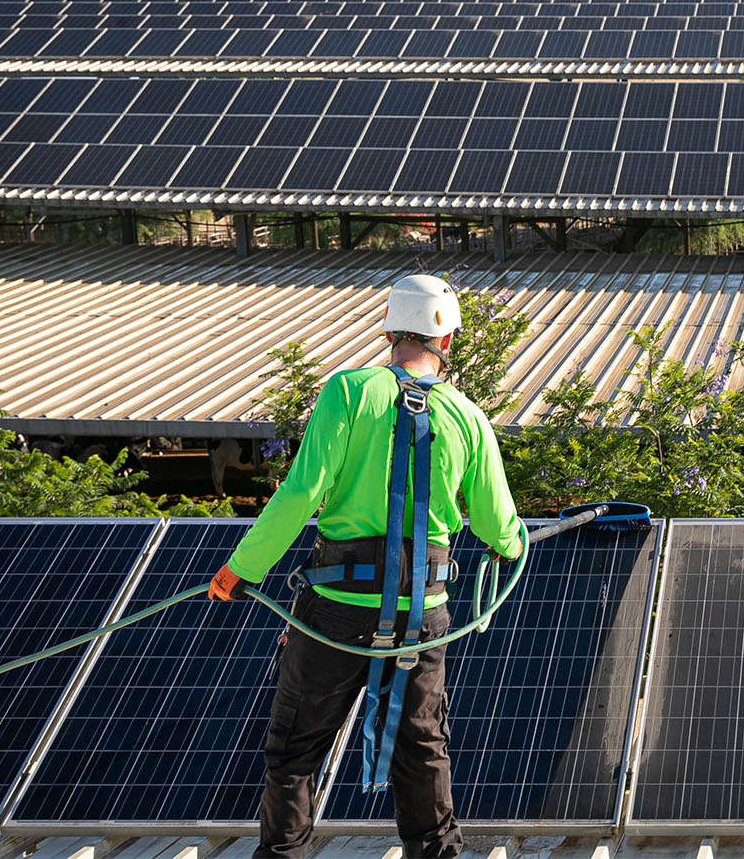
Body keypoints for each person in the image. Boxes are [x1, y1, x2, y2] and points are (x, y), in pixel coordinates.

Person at [208, 273, 526, 858]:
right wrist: (512, 543)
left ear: (387, 329)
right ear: (447, 340)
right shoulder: (469, 417)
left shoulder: (347, 393)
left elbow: (302, 493)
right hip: (421, 614)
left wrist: (240, 569)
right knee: (423, 752)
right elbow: (498, 525)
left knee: (295, 752)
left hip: (335, 610)